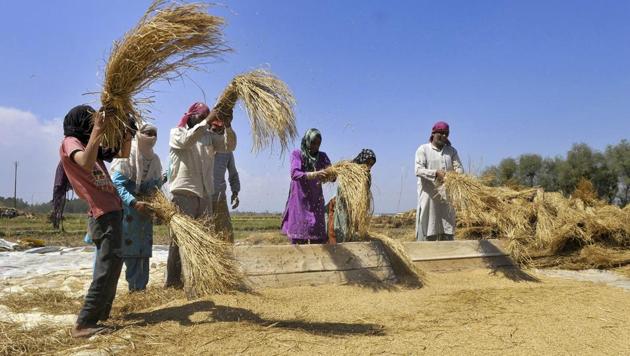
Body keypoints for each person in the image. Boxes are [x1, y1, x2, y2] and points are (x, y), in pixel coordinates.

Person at [59, 105, 132, 338]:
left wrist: (127, 132)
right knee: (106, 269)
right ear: (80, 123)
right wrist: (98, 130)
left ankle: (100, 315)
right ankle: (84, 323)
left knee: (114, 266)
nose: (93, 124)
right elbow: (86, 163)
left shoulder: (90, 144)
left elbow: (123, 153)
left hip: (113, 210)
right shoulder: (70, 142)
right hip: (102, 213)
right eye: (89, 121)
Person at [165, 102, 235, 292]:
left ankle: (199, 281)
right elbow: (188, 140)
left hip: (205, 194)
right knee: (179, 240)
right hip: (184, 193)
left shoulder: (209, 137)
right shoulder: (177, 133)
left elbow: (229, 146)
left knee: (204, 239)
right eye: (201, 115)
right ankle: (172, 281)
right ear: (191, 116)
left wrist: (227, 125)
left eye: (207, 115)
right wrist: (208, 120)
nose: (205, 118)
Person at [110, 123, 163, 292]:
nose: (152, 137)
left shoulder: (154, 160)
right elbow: (117, 185)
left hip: (144, 213)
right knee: (130, 252)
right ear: (138, 134)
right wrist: (133, 202)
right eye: (148, 133)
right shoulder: (127, 155)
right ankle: (133, 288)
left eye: (155, 134)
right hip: (128, 212)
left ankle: (142, 288)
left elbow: (153, 186)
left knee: (143, 252)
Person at [281, 128, 332, 244]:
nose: (315, 146)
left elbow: (333, 176)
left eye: (318, 143)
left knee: (318, 238)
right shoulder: (297, 154)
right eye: (313, 142)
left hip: (315, 200)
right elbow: (294, 174)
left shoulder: (323, 157)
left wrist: (331, 174)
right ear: (307, 141)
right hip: (300, 200)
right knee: (299, 238)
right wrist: (314, 174)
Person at [415, 121, 464, 241]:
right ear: (433, 133)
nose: (444, 136)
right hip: (429, 198)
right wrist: (435, 173)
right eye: (441, 133)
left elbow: (460, 169)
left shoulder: (451, 151)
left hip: (446, 199)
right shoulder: (423, 149)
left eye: (446, 134)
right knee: (428, 230)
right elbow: (418, 170)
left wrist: (453, 175)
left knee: (446, 231)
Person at [325, 149, 376, 243]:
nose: (369, 167)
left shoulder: (367, 177)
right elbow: (333, 177)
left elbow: (364, 195)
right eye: (367, 163)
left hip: (353, 210)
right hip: (339, 205)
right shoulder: (349, 170)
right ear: (362, 160)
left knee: (350, 234)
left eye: (371, 165)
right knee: (335, 231)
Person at [210, 127, 240, 243]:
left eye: (220, 131)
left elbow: (233, 173)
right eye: (214, 130)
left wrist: (235, 192)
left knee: (226, 235)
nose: (217, 133)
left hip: (219, 198)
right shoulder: (202, 145)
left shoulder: (227, 151)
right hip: (202, 199)